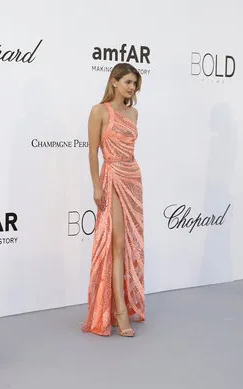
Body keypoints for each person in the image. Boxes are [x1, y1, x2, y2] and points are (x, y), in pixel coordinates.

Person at [82, 63, 145, 337]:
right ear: (114, 82)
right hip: (112, 177)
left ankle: (127, 302)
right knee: (116, 242)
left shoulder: (133, 113)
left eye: (135, 84)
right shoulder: (99, 111)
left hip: (133, 178)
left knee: (130, 243)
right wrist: (97, 187)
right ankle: (119, 311)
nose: (132, 88)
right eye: (129, 82)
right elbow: (92, 152)